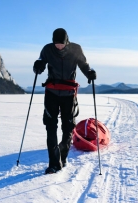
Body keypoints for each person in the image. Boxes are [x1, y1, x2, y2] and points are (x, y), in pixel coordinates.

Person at [33, 28, 96, 174]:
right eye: (56, 44)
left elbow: (84, 65)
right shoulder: (48, 49)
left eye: (61, 44)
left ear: (67, 42)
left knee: (68, 127)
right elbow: (41, 62)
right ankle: (54, 163)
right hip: (52, 93)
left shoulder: (76, 49)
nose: (58, 46)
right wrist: (38, 66)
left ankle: (63, 155)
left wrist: (90, 73)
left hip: (69, 94)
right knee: (50, 126)